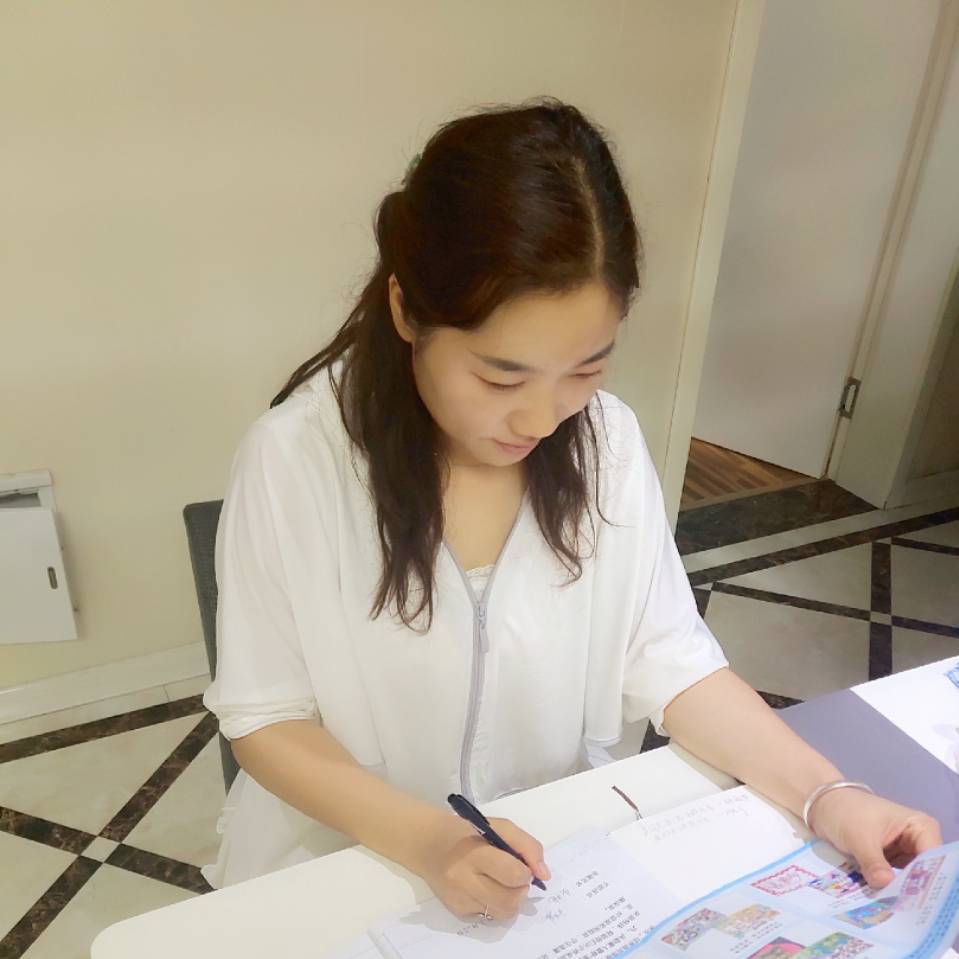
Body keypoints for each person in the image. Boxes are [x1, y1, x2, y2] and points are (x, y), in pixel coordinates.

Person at [201, 97, 941, 919]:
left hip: (554, 869)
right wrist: (430, 840)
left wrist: (827, 796)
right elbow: (264, 717)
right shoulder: (297, 458)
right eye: (500, 376)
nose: (541, 418)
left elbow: (670, 661)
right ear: (406, 310)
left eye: (584, 370)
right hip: (343, 866)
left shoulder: (605, 444)